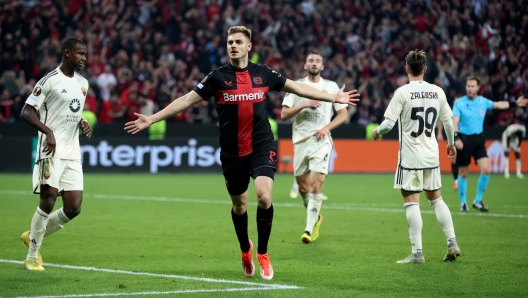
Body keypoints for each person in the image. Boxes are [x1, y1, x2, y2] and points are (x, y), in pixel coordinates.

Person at [125, 26, 360, 280]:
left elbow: (297, 88)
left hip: (261, 145)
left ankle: (263, 253)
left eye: (238, 41)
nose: (233, 45)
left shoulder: (263, 73)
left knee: (264, 197)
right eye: (229, 42)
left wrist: (333, 97)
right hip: (232, 151)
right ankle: (245, 249)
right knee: (239, 207)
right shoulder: (217, 77)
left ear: (249, 46)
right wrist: (153, 119)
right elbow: (184, 101)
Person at [372, 50, 460, 264]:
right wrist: (450, 143)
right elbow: (448, 122)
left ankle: (417, 253)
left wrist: (377, 132)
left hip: (410, 157)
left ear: (407, 68)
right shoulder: (437, 91)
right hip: (431, 155)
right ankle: (452, 242)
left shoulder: (402, 92)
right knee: (436, 199)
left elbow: (389, 123)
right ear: (425, 69)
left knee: (411, 202)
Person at [19, 37, 91, 271]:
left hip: (72, 152)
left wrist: (82, 121)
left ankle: (33, 235)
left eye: (85, 54)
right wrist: (48, 131)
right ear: (67, 53)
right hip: (50, 150)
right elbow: (27, 112)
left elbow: (67, 111)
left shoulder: (83, 83)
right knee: (48, 200)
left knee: (73, 208)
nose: (84, 58)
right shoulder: (48, 81)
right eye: (80, 53)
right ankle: (32, 256)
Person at [280, 49, 348, 244]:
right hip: (300, 141)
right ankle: (317, 217)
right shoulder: (296, 86)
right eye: (311, 60)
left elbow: (343, 115)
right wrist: (304, 104)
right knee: (303, 188)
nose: (314, 63)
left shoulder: (331, 86)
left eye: (318, 61)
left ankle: (309, 229)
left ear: (323, 66)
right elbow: (284, 115)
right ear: (305, 65)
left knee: (317, 185)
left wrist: (327, 127)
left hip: (321, 141)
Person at [453, 77, 527, 212]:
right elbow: (454, 121)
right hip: (463, 140)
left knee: (486, 169)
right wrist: (456, 138)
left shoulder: (483, 101)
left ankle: (478, 200)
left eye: (472, 86)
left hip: (478, 140)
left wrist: (515, 103)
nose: (470, 88)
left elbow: (498, 105)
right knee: (463, 173)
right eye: (468, 86)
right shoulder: (459, 103)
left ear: (478, 88)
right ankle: (463, 203)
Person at [502, 108, 526, 179]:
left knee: (518, 154)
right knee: (506, 154)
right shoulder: (511, 129)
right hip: (506, 138)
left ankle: (518, 172)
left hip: (515, 139)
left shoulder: (523, 129)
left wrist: (518, 145)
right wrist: (508, 147)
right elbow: (508, 137)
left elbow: (521, 138)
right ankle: (506, 172)